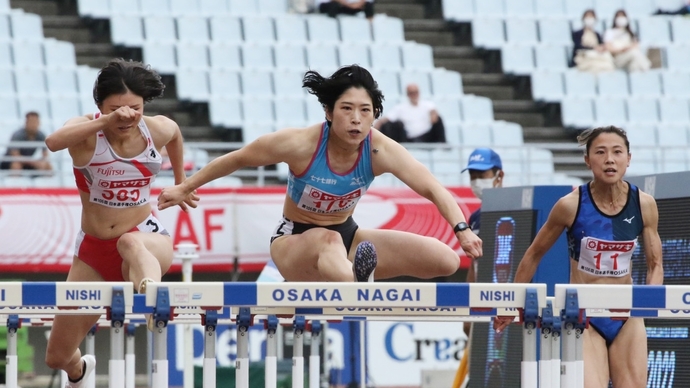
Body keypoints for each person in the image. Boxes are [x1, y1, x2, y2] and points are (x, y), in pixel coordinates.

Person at [159, 65, 482, 284]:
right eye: (346, 109)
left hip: (347, 237)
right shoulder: (301, 144)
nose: (356, 119)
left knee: (445, 261)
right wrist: (184, 186)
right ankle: (359, 290)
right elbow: (238, 159)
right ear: (328, 112)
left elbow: (433, 189)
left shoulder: (380, 149)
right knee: (326, 240)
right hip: (294, 242)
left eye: (365, 111)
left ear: (374, 116)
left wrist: (462, 230)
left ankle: (356, 280)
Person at [43, 58, 197, 388]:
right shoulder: (85, 132)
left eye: (135, 108)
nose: (126, 117)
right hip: (94, 251)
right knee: (56, 356)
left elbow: (175, 134)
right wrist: (105, 121)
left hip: (145, 240)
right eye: (116, 109)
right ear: (100, 106)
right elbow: (53, 142)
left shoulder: (154, 129)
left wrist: (182, 183)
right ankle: (79, 372)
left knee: (129, 241)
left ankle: (154, 304)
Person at [493, 126, 663, 387]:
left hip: (626, 314)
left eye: (617, 152)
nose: (609, 159)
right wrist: (511, 302)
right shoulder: (570, 205)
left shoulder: (644, 204)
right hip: (585, 316)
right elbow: (533, 254)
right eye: (600, 152)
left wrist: (650, 301)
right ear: (587, 160)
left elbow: (655, 264)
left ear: (628, 158)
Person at [453, 148, 504, 388]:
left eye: (482, 174)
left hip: (507, 302)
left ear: (499, 176)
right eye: (472, 175)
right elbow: (474, 264)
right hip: (483, 302)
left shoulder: (515, 212)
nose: (476, 181)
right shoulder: (474, 218)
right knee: (478, 373)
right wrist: (468, 309)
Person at [374, 83, 446, 143]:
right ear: (408, 94)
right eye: (411, 93)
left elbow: (434, 116)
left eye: (416, 92)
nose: (414, 95)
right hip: (409, 138)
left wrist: (433, 115)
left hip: (426, 136)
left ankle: (442, 144)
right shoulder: (400, 108)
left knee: (439, 119)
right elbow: (386, 119)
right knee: (393, 125)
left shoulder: (428, 105)